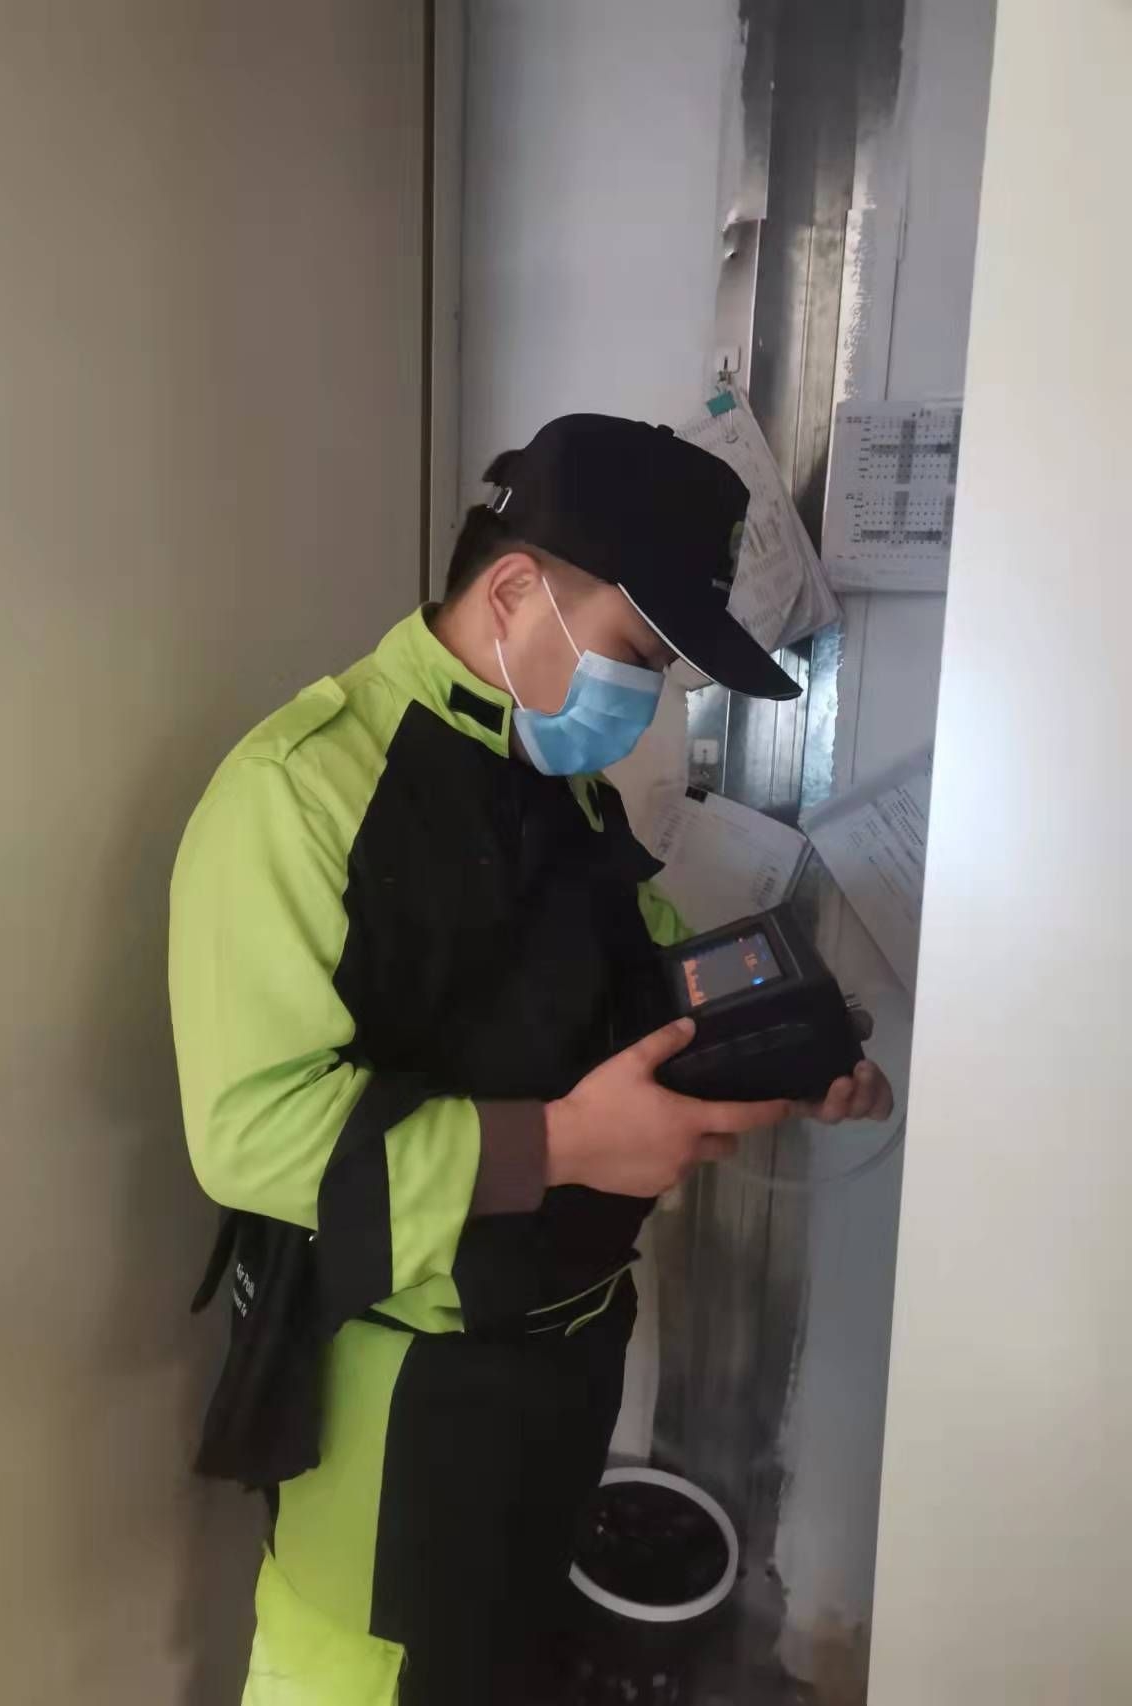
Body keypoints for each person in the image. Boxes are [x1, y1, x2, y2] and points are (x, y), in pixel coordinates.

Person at [168, 414, 892, 1705]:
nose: (645, 697)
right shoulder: (300, 790)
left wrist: (780, 1053)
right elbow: (251, 1133)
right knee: (364, 1673)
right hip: (407, 1378)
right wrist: (562, 1144)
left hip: (570, 1353)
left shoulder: (556, 781)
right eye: (637, 653)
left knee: (503, 1662)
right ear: (513, 590)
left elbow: (639, 983)